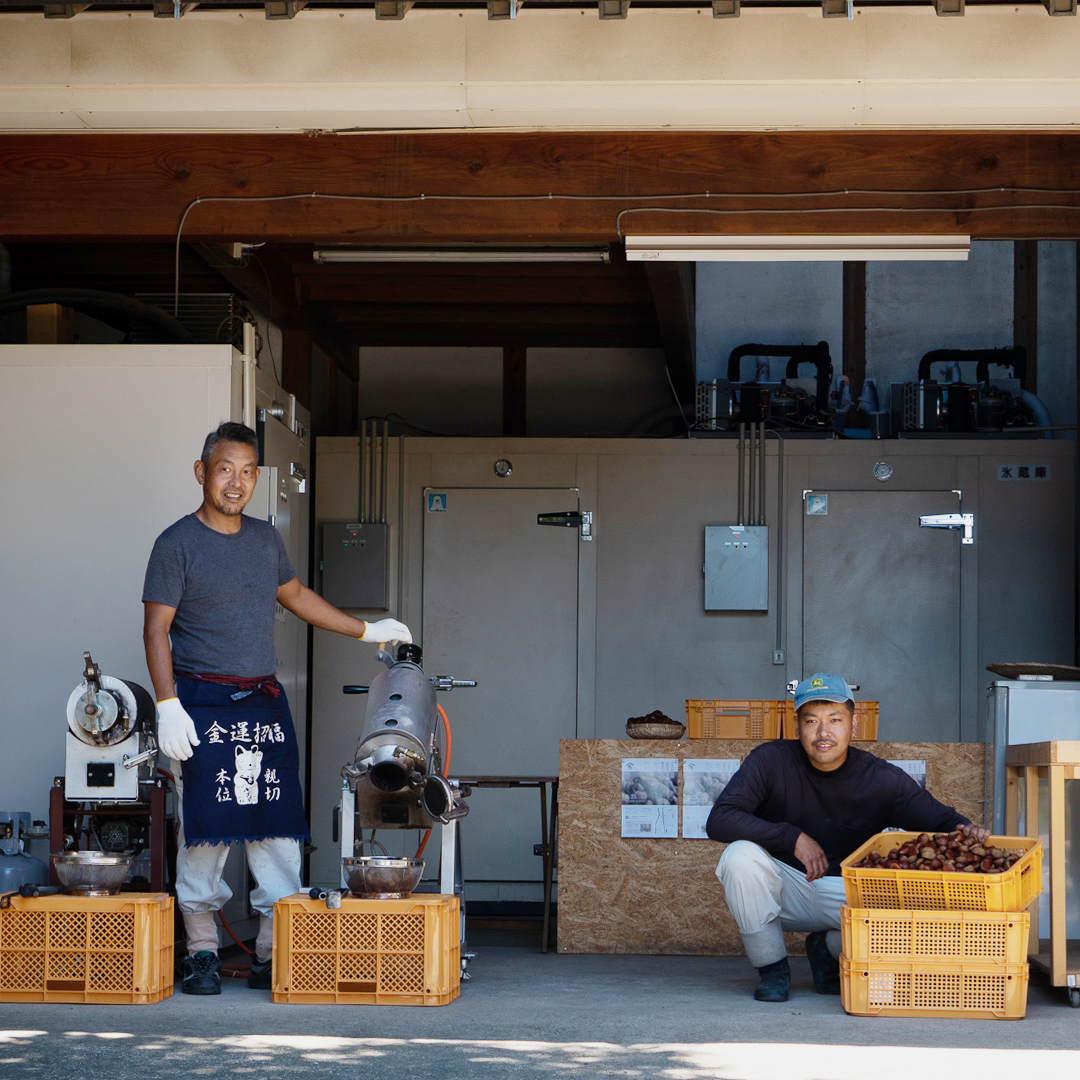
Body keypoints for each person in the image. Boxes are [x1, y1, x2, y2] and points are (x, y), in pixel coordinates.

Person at [143, 421, 412, 996]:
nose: (235, 482)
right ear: (201, 472)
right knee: (205, 831)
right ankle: (201, 953)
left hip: (262, 701)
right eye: (224, 469)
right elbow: (155, 628)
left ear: (257, 478)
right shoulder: (176, 543)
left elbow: (297, 596)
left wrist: (366, 630)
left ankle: (271, 951)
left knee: (277, 828)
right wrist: (167, 704)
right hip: (201, 703)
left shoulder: (266, 540)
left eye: (247, 472)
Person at [706, 672, 989, 1003]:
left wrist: (968, 830)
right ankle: (772, 970)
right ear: (797, 727)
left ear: (854, 725)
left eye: (835, 719)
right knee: (739, 857)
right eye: (811, 721)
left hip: (845, 894)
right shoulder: (770, 760)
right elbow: (720, 819)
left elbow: (942, 821)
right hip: (785, 889)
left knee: (902, 910)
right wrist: (792, 837)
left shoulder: (881, 778)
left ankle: (827, 948)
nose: (823, 733)